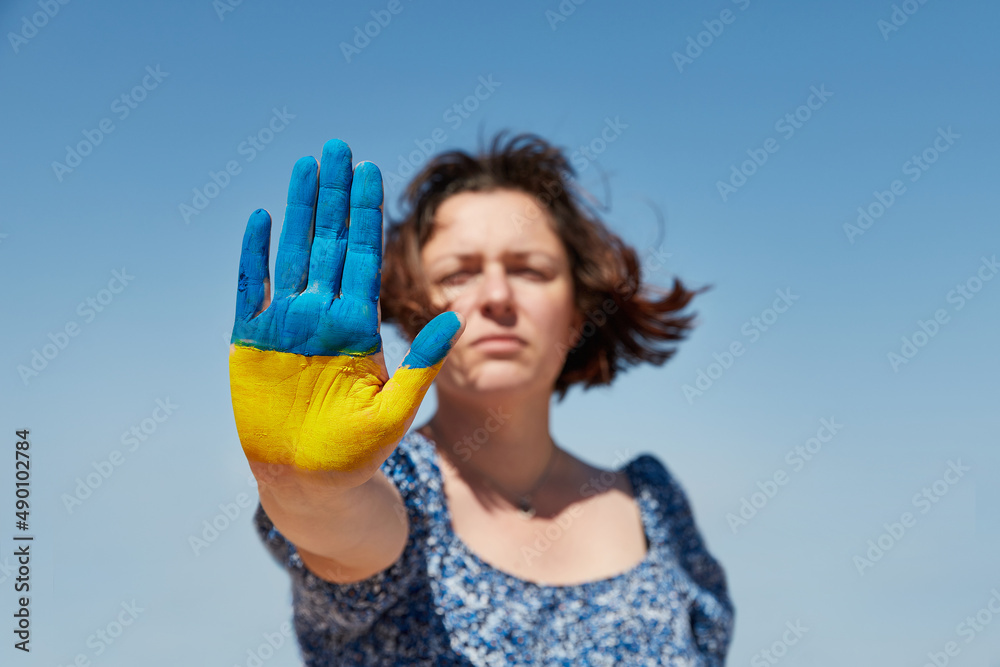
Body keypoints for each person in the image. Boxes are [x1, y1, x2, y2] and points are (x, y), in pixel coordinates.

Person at [228, 132, 734, 665]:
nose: (497, 296)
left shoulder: (654, 504)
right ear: (412, 309)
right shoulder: (400, 484)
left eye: (530, 269)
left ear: (578, 312)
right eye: (460, 272)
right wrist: (308, 490)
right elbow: (342, 528)